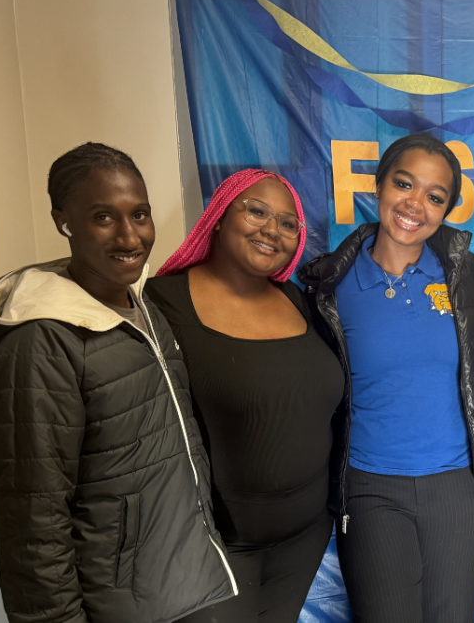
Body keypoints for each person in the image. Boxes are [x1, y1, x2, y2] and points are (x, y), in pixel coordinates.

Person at [0, 143, 237, 623]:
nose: (130, 235)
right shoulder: (40, 345)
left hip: (185, 586)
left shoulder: (142, 309)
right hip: (120, 606)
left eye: (140, 214)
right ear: (64, 221)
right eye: (103, 217)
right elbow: (32, 520)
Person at [297, 133, 474, 623]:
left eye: (435, 196)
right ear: (379, 185)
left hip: (458, 488)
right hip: (370, 490)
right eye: (404, 184)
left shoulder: (466, 275)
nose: (415, 205)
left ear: (447, 210)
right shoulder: (330, 287)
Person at [147, 169, 344, 623]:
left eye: (288, 223)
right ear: (217, 216)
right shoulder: (165, 300)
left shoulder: (298, 301)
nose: (272, 230)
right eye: (256, 211)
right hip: (215, 544)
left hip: (304, 535)